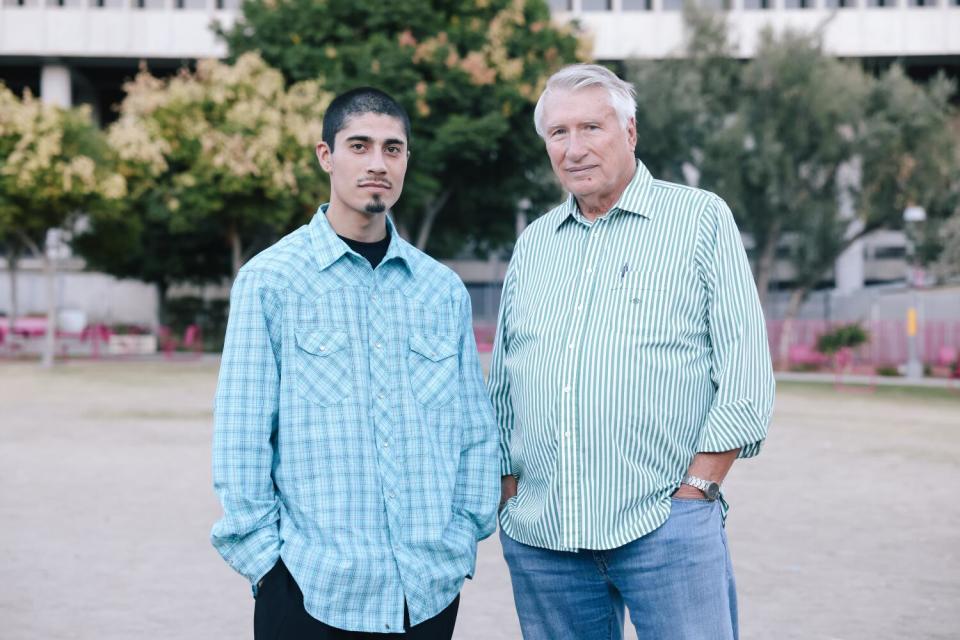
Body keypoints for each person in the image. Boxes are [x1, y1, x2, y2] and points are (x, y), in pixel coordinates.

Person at [488, 64, 776, 640]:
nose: (574, 149)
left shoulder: (698, 218)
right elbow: (504, 381)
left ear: (630, 132)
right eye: (559, 133)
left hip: (665, 525)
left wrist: (699, 491)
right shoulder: (535, 242)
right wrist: (510, 493)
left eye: (591, 127)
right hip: (546, 537)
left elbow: (744, 367)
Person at [211, 87, 500, 640]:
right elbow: (241, 436)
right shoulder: (271, 281)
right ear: (327, 155)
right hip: (308, 591)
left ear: (406, 161)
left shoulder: (441, 290)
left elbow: (474, 432)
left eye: (393, 149)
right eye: (359, 145)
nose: (377, 163)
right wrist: (268, 568)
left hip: (426, 592)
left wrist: (460, 538)